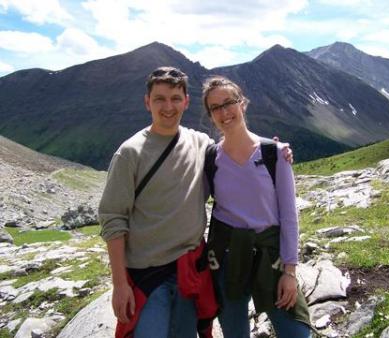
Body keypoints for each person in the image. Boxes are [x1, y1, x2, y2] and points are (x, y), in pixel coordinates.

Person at [99, 67, 292, 338]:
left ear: (186, 101)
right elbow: (113, 218)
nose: (168, 106)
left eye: (176, 98)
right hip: (147, 275)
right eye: (160, 99)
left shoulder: (200, 143)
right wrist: (120, 284)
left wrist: (272, 149)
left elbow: (235, 144)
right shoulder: (130, 153)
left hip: (189, 270)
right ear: (147, 102)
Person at [202, 76, 312, 338]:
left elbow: (289, 216)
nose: (224, 112)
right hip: (227, 255)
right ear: (210, 116)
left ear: (243, 104)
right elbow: (190, 203)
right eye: (215, 108)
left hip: (269, 254)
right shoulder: (210, 159)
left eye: (229, 103)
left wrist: (290, 271)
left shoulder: (275, 153)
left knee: (297, 332)